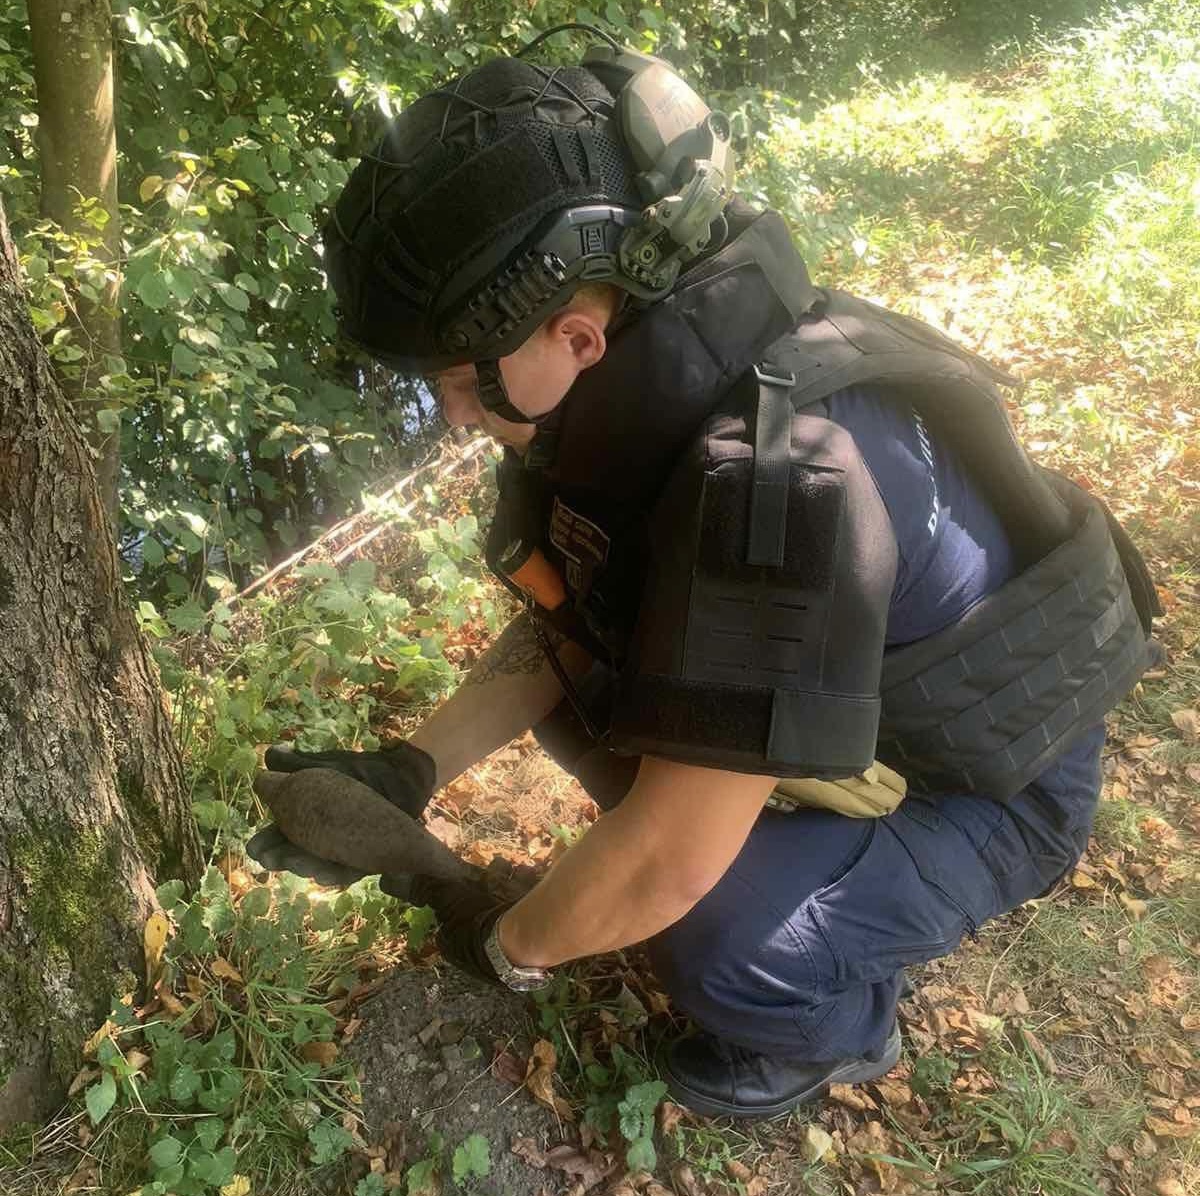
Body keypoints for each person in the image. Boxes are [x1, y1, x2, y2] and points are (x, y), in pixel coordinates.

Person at [248, 35, 1159, 1119]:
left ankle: (831, 1032)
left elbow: (665, 865)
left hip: (992, 783)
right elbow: (566, 615)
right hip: (863, 704)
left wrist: (505, 939)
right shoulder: (622, 399)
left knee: (711, 935)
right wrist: (410, 764)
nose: (449, 411)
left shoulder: (774, 489)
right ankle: (784, 840)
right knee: (598, 711)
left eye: (457, 381)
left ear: (578, 335)